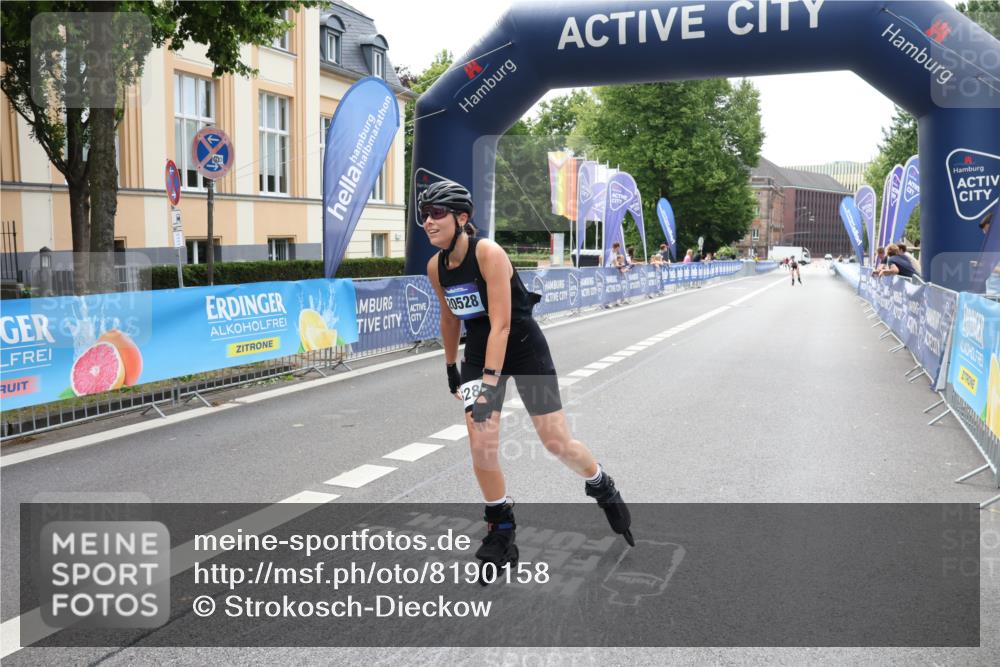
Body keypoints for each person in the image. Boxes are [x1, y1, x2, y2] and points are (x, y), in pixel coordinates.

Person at [421, 179, 635, 576]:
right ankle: (501, 529)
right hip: (480, 350)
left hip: (521, 344)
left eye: (436, 214)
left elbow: (501, 324)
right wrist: (451, 367)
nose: (428, 223)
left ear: (461, 218)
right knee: (481, 442)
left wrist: (489, 384)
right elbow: (451, 316)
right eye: (424, 216)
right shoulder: (436, 266)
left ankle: (600, 482)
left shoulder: (488, 253)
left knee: (556, 442)